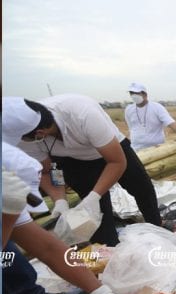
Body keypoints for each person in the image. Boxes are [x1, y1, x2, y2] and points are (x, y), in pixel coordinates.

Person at [2, 112, 127, 294]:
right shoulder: (32, 145)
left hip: (90, 167)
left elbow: (47, 247)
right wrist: (8, 217)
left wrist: (99, 290)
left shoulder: (81, 118)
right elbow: (53, 173)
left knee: (9, 255)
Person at [9, 95, 162, 247]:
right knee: (96, 212)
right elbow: (48, 171)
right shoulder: (21, 135)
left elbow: (116, 162)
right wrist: (59, 199)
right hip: (72, 160)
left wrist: (95, 195)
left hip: (112, 149)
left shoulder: (82, 113)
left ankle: (158, 231)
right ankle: (109, 251)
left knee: (142, 188)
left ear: (40, 133)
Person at [124, 83, 176, 151]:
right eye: (131, 93)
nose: (133, 95)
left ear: (145, 94)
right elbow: (131, 127)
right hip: (136, 148)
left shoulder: (157, 107)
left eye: (136, 93)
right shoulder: (128, 109)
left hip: (156, 148)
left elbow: (170, 122)